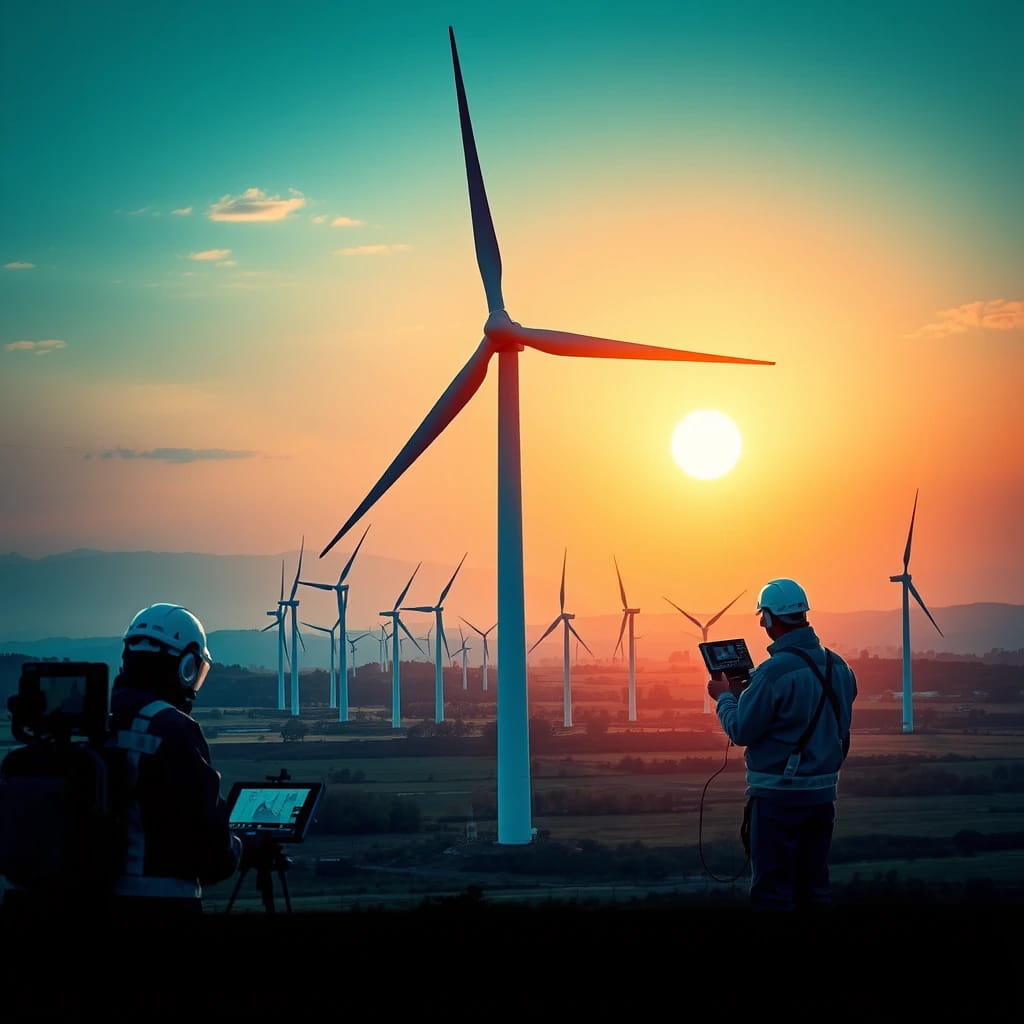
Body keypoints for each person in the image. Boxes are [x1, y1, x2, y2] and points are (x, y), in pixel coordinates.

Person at [707, 578, 857, 911]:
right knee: (814, 887)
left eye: (763, 616)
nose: (762, 623)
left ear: (772, 619)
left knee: (772, 891)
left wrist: (725, 699)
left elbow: (742, 730)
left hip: (778, 797)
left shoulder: (773, 673)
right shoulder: (840, 667)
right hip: (823, 796)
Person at [105, 602, 243, 918]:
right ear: (187, 668)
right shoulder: (172, 729)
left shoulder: (92, 720)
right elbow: (210, 850)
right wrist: (239, 848)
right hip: (161, 909)